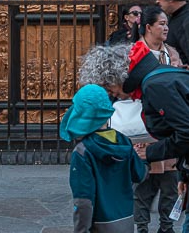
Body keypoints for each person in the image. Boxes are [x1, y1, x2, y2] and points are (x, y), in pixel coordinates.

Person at [80, 44, 189, 233]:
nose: (111, 94)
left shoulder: (156, 85)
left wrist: (149, 152)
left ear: (117, 76)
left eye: (108, 86)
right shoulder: (159, 77)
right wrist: (185, 173)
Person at [60, 83, 146, 233]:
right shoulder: (124, 142)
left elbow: (83, 202)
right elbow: (140, 174)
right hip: (126, 222)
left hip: (99, 225)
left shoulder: (82, 152)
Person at [125, 40, 179, 233]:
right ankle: (142, 227)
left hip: (167, 135)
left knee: (170, 186)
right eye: (161, 24)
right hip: (145, 133)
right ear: (149, 27)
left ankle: (167, 225)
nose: (165, 28)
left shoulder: (171, 51)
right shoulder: (137, 54)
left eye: (166, 23)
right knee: (143, 188)